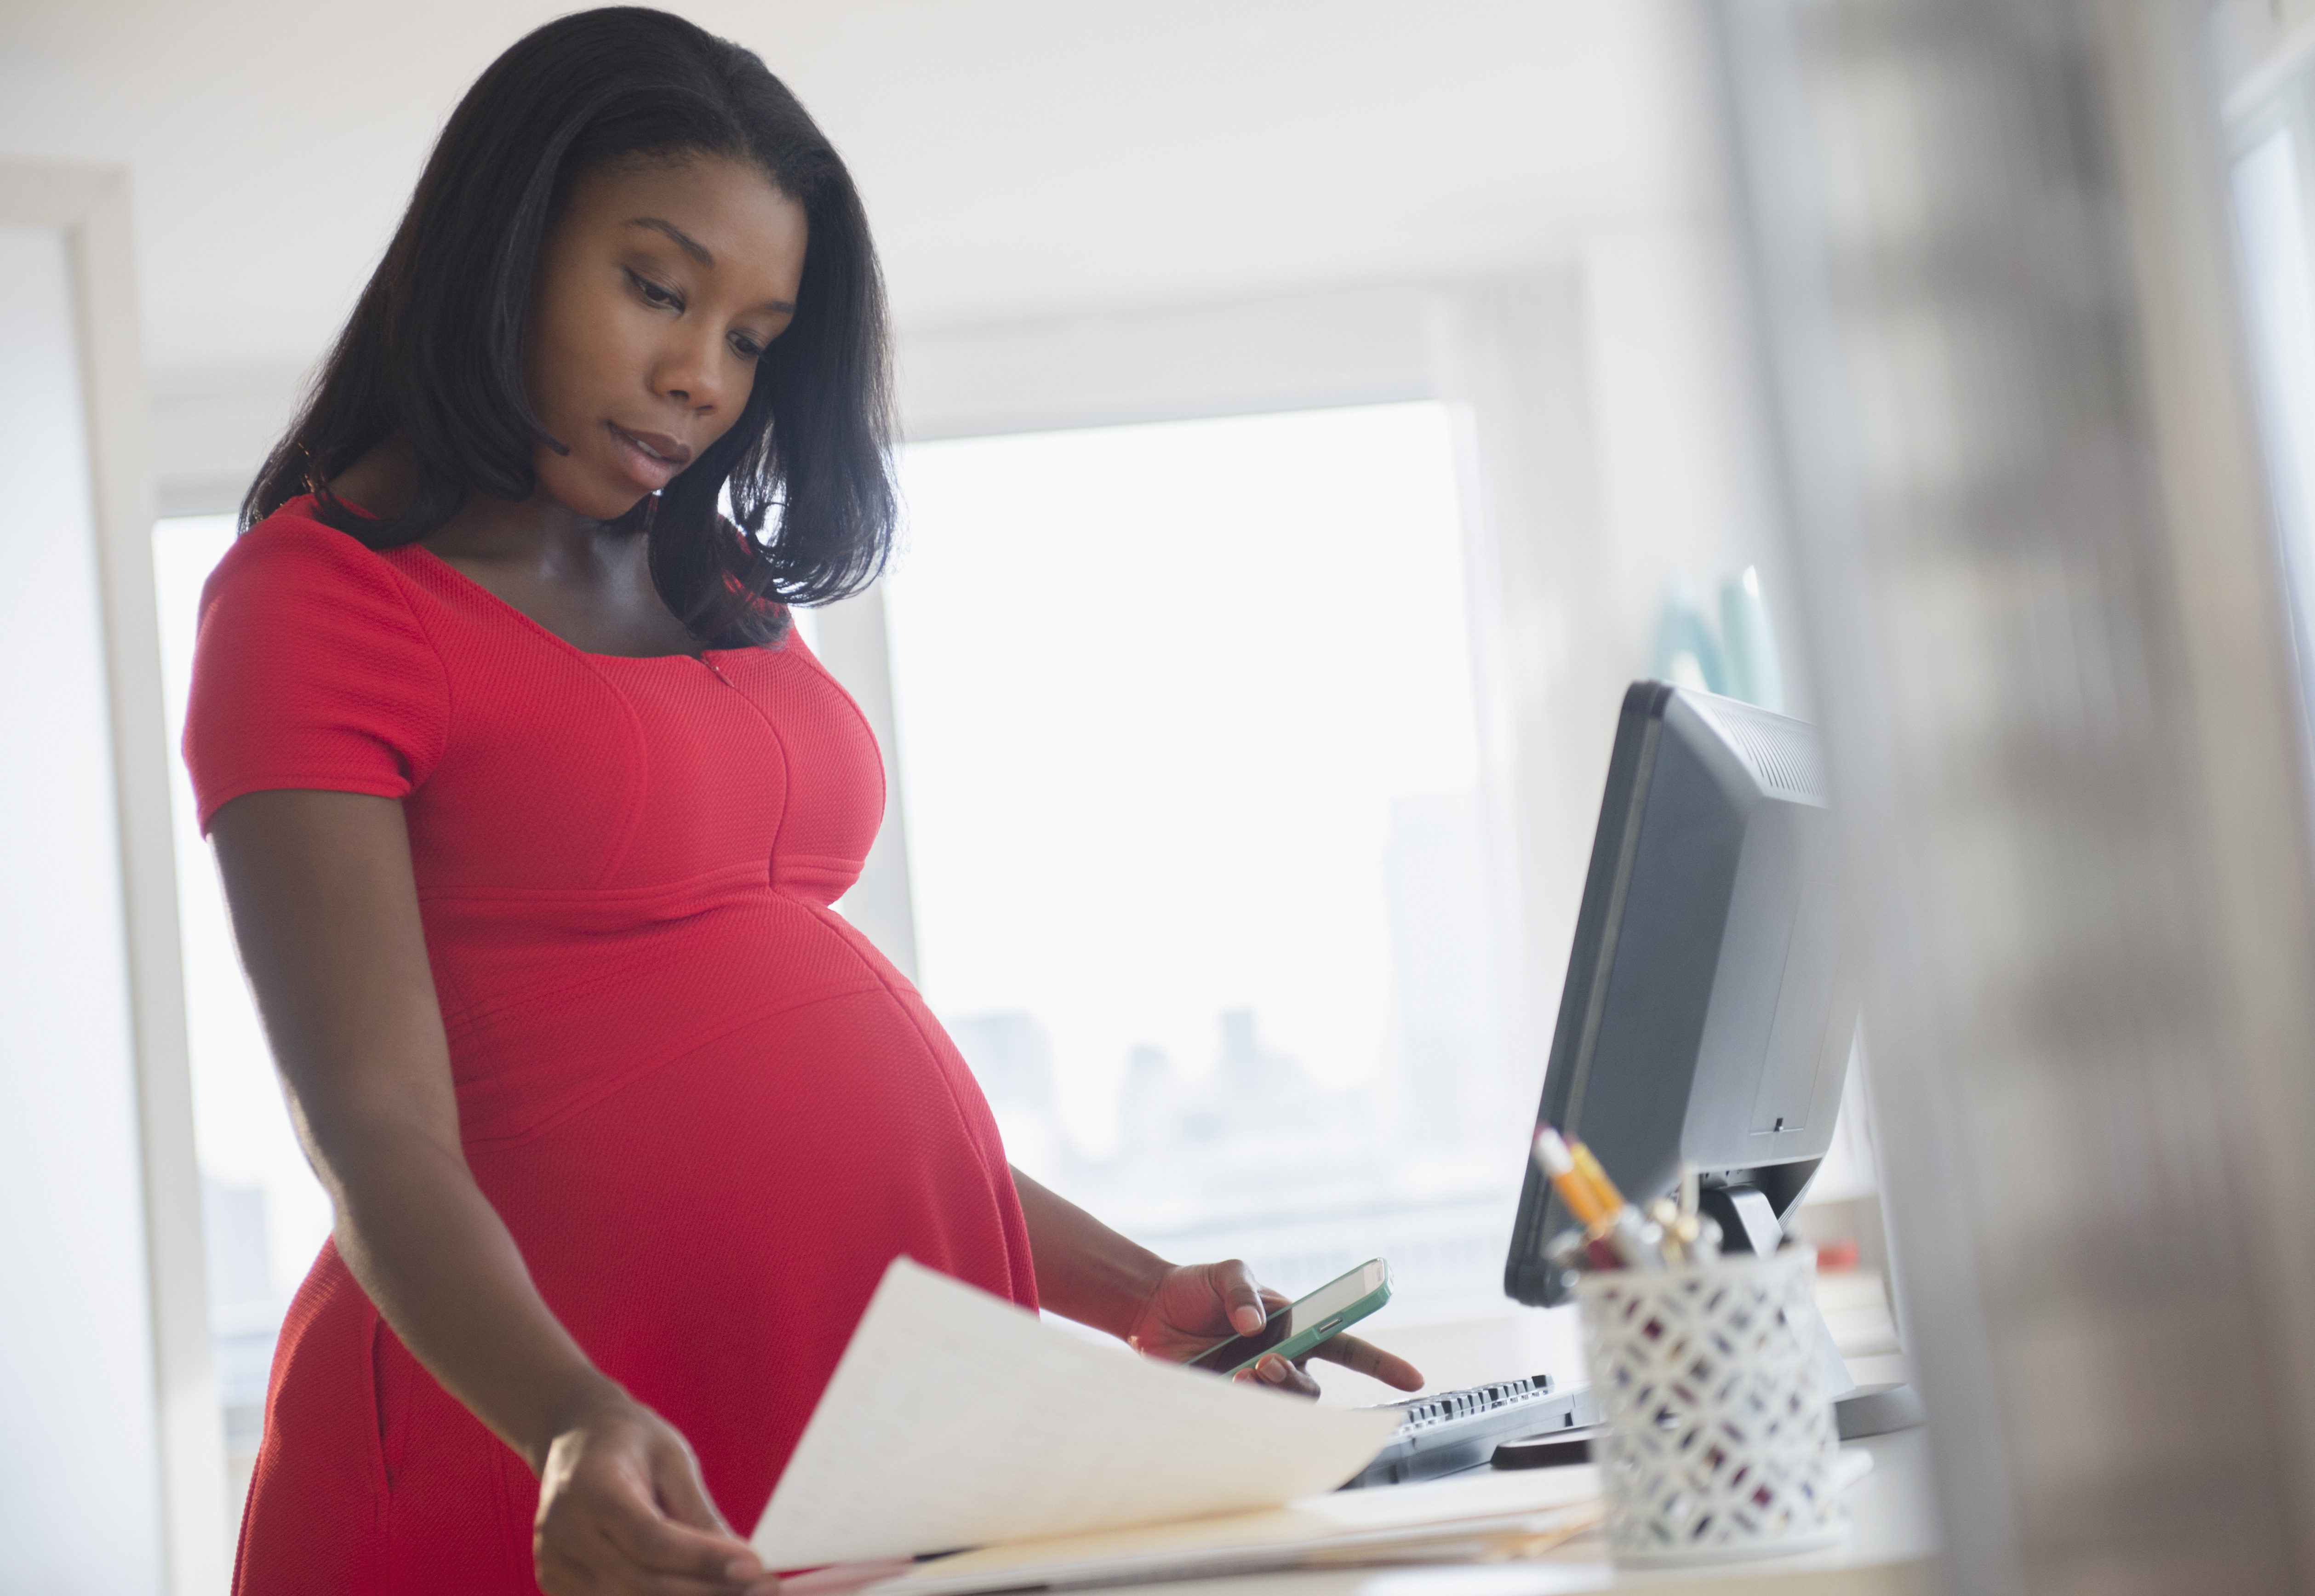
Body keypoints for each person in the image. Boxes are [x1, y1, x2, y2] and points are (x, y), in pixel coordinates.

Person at [185, 10, 1423, 1595]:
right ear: (502, 243)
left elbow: (781, 1054)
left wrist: (1128, 1288)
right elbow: (372, 1127)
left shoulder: (717, 581)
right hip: (546, 1453)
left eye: (755, 336)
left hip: (850, 1431)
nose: (700, 377)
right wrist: (567, 1418)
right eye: (655, 287)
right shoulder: (317, 602)